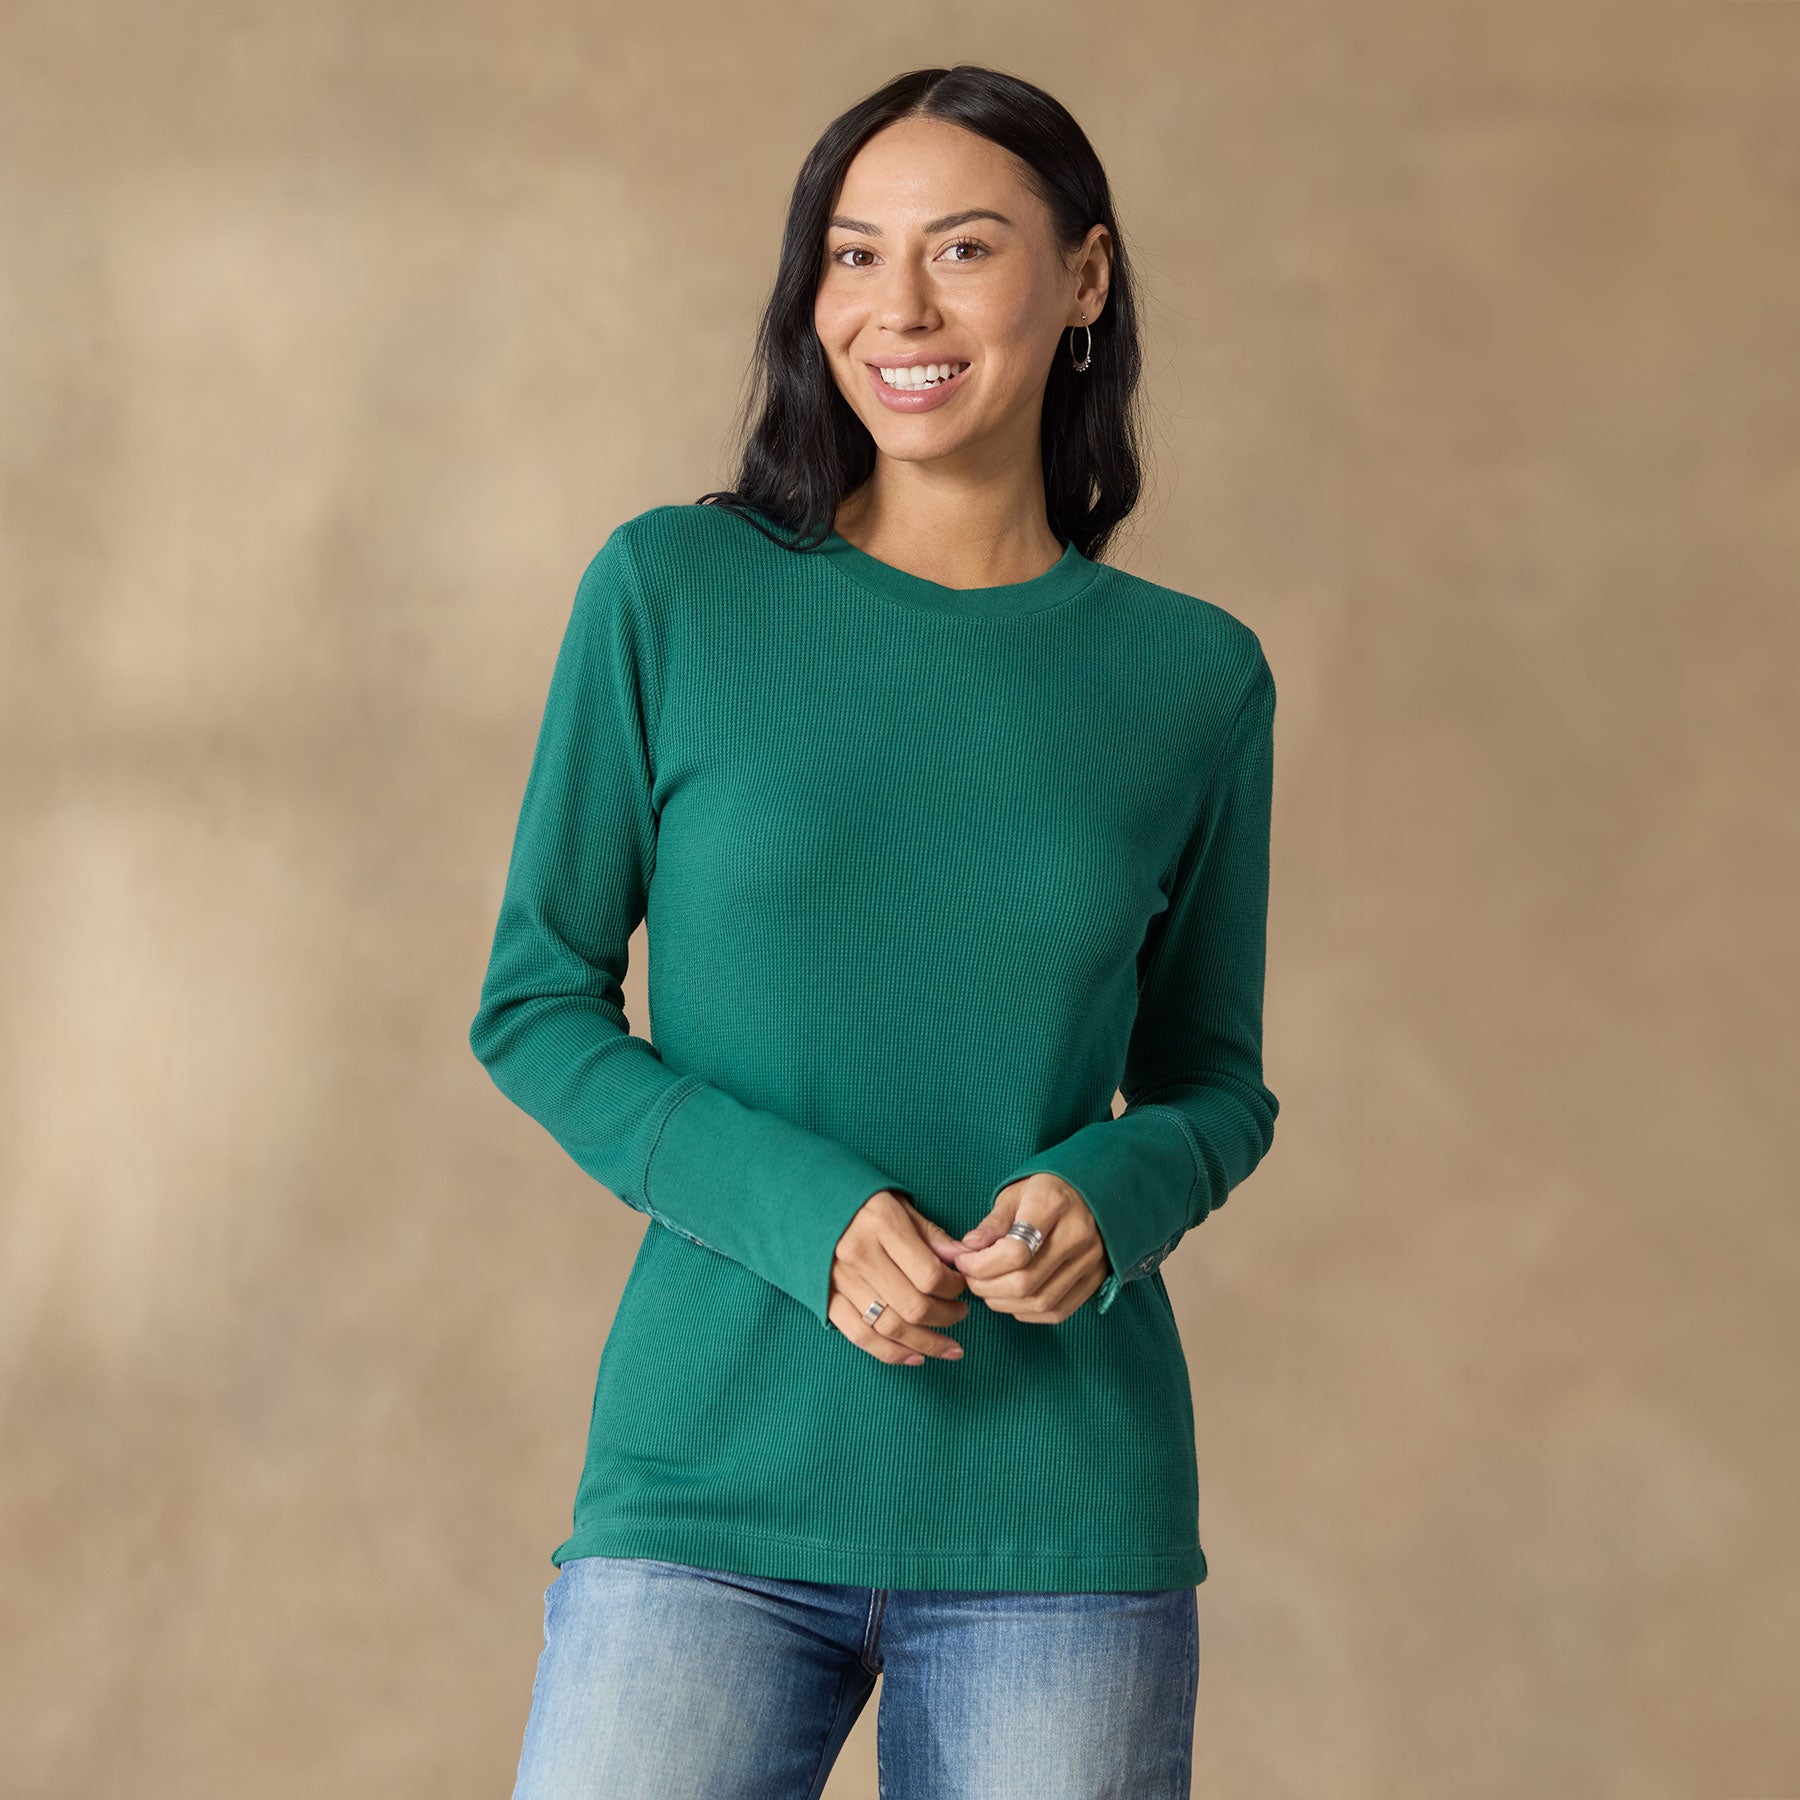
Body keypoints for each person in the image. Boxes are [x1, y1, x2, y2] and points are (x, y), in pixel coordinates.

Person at [469, 62, 1279, 1800]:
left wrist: (1114, 1196)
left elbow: (1215, 1083)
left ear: (1084, 277)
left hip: (1060, 1513)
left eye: (963, 249)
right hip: (711, 1478)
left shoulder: (1192, 679)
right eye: (853, 254)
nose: (897, 309)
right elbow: (534, 1002)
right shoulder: (673, 594)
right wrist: (806, 1212)